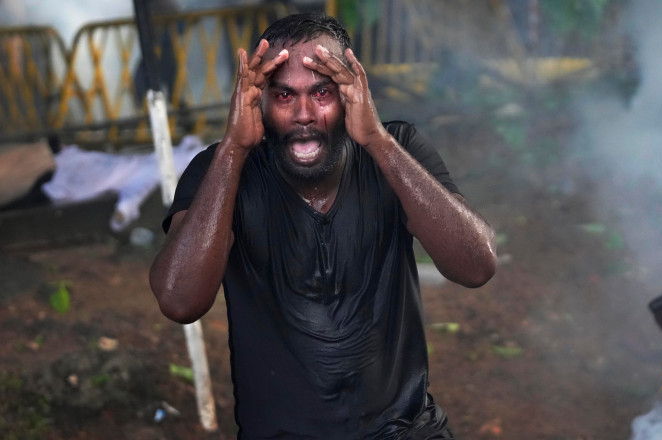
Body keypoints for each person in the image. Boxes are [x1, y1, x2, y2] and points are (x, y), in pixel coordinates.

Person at [149, 12, 497, 439]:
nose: (304, 113)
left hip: (404, 430)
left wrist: (377, 141)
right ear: (259, 100)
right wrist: (233, 150)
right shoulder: (220, 170)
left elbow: (477, 266)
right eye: (283, 96)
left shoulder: (397, 148)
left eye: (322, 92)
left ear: (353, 92)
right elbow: (179, 301)